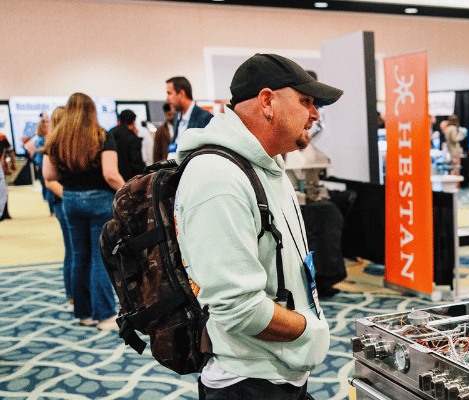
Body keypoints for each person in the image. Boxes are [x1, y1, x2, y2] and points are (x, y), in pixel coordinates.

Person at [173, 53, 342, 400]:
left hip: (281, 372)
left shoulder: (269, 167)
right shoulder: (217, 177)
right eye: (306, 101)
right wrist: (310, 329)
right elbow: (238, 307)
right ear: (267, 101)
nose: (315, 114)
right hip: (247, 383)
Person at [42, 93, 125, 331]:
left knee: (80, 256)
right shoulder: (101, 135)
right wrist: (129, 190)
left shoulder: (56, 138)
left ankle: (84, 313)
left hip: (70, 200)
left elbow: (49, 176)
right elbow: (110, 174)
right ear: (93, 111)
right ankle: (105, 315)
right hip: (99, 200)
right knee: (100, 258)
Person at [43, 106, 74, 310]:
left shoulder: (63, 144)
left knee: (74, 250)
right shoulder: (53, 144)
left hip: (67, 201)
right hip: (64, 201)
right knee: (73, 250)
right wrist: (72, 197)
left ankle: (74, 294)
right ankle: (72, 294)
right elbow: (49, 180)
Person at [166, 76, 213, 144]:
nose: (167, 98)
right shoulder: (177, 116)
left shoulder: (205, 118)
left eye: (169, 93)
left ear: (182, 94)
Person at [108, 109, 146, 182]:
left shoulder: (110, 134)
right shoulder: (133, 138)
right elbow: (136, 163)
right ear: (133, 122)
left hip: (112, 180)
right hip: (129, 181)